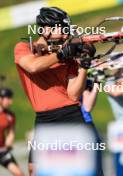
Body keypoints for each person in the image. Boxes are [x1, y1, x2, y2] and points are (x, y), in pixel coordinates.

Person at [14, 7, 102, 175]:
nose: (66, 35)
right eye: (62, 29)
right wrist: (61, 54)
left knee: (88, 170)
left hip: (71, 115)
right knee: (35, 170)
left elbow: (74, 94)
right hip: (44, 118)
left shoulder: (66, 56)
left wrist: (84, 65)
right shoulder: (23, 47)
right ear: (46, 30)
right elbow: (33, 66)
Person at [0, 88, 24, 176]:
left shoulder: (10, 116)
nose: (11, 102)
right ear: (0, 99)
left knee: (19, 174)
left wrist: (9, 140)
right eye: (8, 99)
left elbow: (11, 131)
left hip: (2, 150)